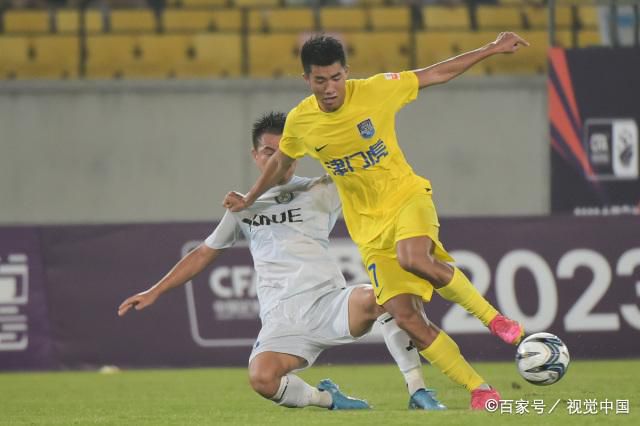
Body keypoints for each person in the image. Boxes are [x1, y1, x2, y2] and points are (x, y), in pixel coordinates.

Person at [223, 33, 530, 410]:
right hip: (368, 230)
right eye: (320, 80)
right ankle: (480, 390)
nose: (330, 87)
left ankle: (496, 321)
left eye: (336, 78)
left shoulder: (376, 90)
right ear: (307, 80)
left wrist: (490, 49)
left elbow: (434, 74)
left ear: (346, 73)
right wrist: (250, 198)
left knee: (413, 257)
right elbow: (282, 163)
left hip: (406, 198)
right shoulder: (302, 121)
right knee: (407, 318)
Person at [118, 112, 446, 411]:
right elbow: (204, 252)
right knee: (262, 379)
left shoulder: (323, 189)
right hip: (283, 319)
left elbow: (369, 176)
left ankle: (417, 390)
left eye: (285, 150)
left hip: (330, 302)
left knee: (388, 297)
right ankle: (329, 399)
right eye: (268, 152)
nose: (278, 158)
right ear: (255, 156)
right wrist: (155, 291)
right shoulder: (243, 207)